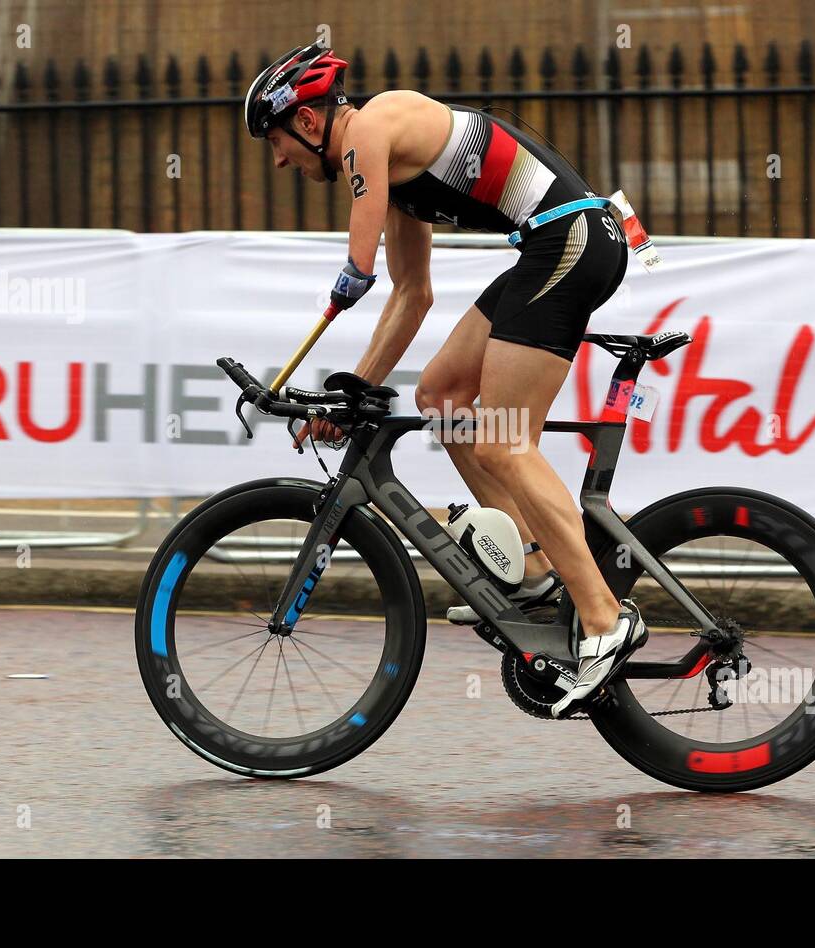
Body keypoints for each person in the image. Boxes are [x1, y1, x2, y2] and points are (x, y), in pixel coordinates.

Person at [244, 42, 646, 718]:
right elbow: (411, 297)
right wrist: (353, 391)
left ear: (308, 123)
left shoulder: (371, 129)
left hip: (571, 243)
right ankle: (536, 569)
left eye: (277, 142)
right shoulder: (395, 171)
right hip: (554, 245)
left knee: (502, 441)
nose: (279, 159)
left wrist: (342, 302)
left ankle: (605, 622)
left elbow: (361, 268)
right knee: (442, 397)